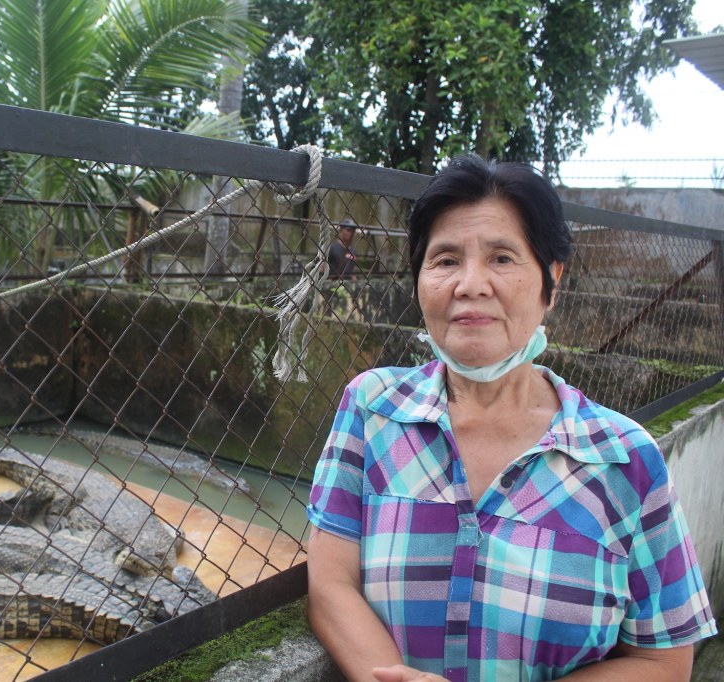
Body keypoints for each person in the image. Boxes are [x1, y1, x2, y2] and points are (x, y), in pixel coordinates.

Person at [306, 154, 716, 682]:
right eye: (446, 259)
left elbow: (664, 660)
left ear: (551, 280)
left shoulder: (625, 459)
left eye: (502, 258)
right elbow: (331, 585)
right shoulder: (372, 409)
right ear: (419, 278)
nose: (470, 284)